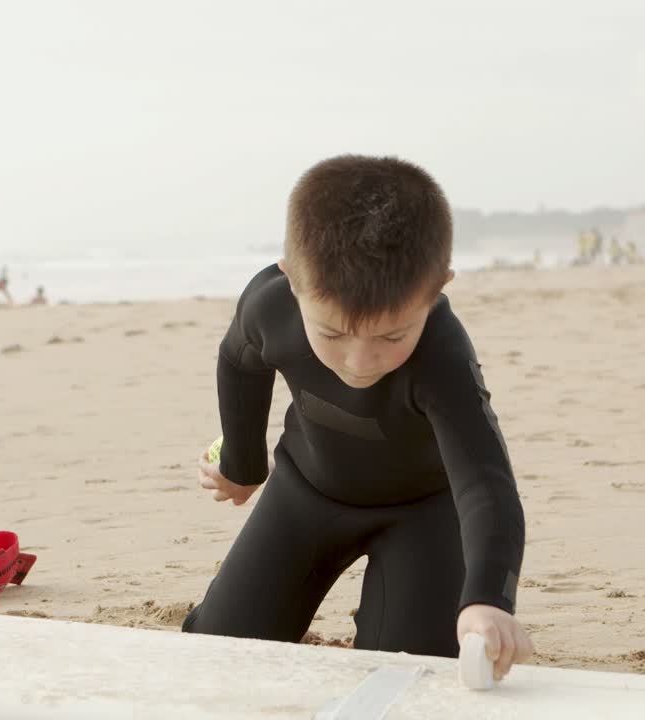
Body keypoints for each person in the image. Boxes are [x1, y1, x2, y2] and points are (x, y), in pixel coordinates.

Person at [183, 155, 531, 680]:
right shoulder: (269, 305)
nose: (359, 361)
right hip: (305, 491)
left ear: (437, 288)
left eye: (393, 336)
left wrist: (487, 599)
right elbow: (238, 361)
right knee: (219, 652)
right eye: (332, 334)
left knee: (404, 672)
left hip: (423, 513)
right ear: (292, 279)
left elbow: (485, 483)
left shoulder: (441, 353)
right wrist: (243, 462)